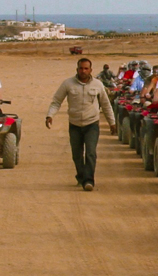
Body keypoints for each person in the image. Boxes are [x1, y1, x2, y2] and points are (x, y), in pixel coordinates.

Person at [46, 57, 108, 191]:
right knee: (76, 154)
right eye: (81, 68)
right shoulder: (68, 84)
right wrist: (50, 115)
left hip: (92, 123)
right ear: (77, 69)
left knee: (91, 152)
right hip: (74, 125)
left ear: (91, 70)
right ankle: (81, 176)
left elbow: (106, 104)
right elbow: (57, 101)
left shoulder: (98, 84)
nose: (83, 71)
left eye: (86, 68)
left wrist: (112, 122)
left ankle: (89, 180)